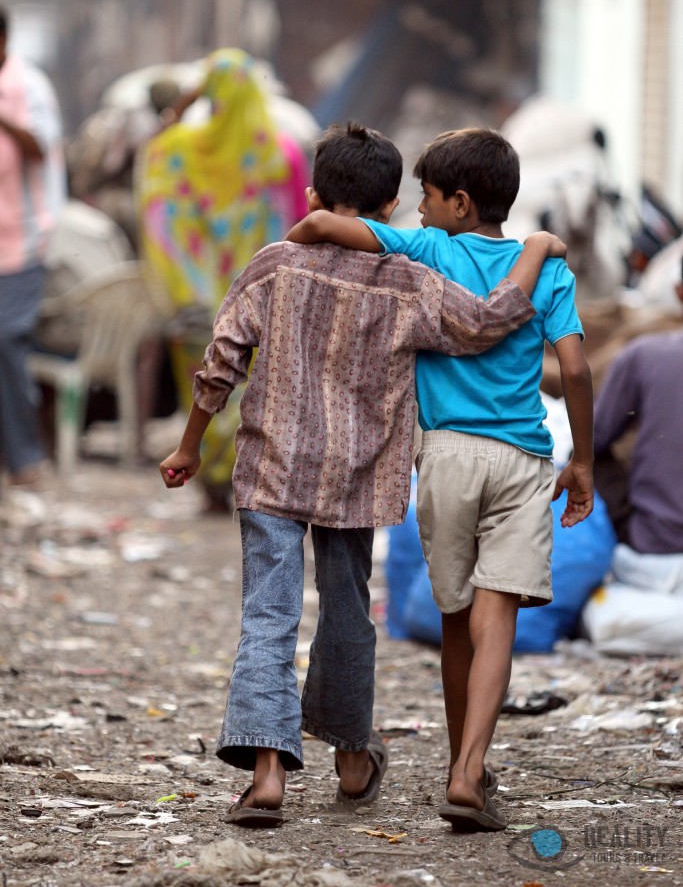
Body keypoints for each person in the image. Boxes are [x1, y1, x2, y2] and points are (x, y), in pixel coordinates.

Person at [159, 122, 566, 828]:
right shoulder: (410, 279)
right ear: (387, 211)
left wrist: (191, 445)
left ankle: (265, 778)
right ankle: (352, 759)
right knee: (347, 612)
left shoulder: (273, 263)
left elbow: (220, 360)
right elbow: (488, 322)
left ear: (314, 193)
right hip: (356, 475)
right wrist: (532, 252)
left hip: (271, 468)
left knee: (268, 616)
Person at [286, 127, 594, 832]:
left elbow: (322, 224)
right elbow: (574, 370)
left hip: (446, 457)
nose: (414, 212)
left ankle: (464, 761)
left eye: (423, 198)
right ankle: (467, 770)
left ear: (457, 203)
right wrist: (583, 462)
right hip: (522, 459)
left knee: (455, 618)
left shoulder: (428, 251)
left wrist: (299, 240)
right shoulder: (543, 268)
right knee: (499, 620)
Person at [138, 48, 309, 508]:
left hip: (195, 303)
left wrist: (181, 107)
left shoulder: (179, 151)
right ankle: (241, 477)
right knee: (257, 388)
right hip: (264, 299)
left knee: (206, 381)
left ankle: (210, 480)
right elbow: (299, 221)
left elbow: (150, 163)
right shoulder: (280, 154)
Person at [0, 4, 66, 486]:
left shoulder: (30, 87)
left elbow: (40, 146)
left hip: (23, 241)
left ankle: (26, 460)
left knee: (6, 341)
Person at [594, 278, 683, 570]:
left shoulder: (644, 354)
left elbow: (591, 440)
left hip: (654, 541)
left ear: (679, 291)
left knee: (583, 458)